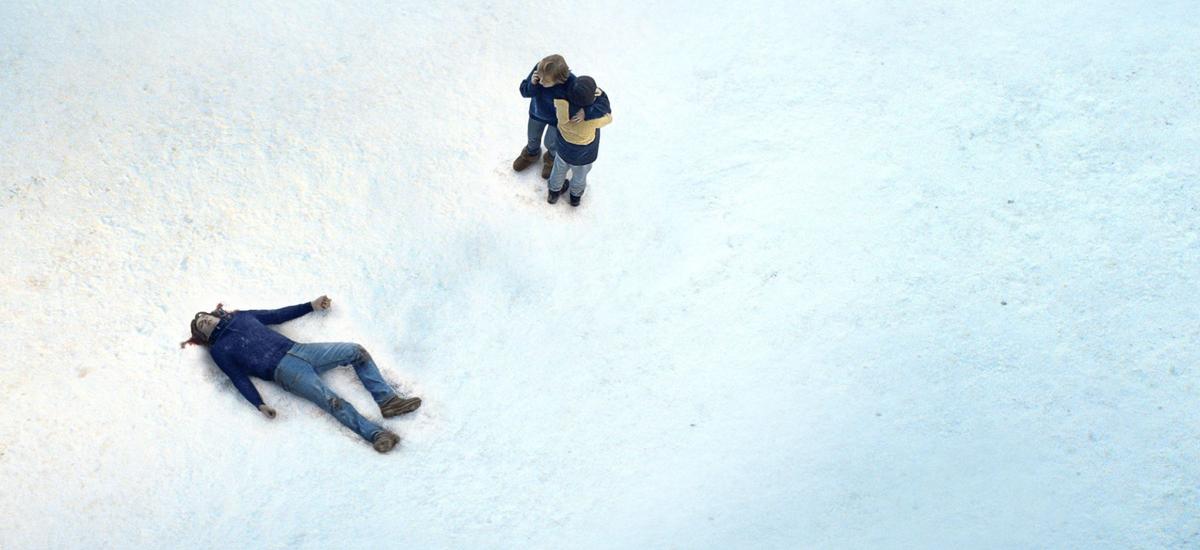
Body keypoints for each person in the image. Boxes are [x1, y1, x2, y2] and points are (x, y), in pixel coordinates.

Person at [181, 296, 421, 453]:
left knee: (355, 351)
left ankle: (389, 401)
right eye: (199, 325)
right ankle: (377, 436)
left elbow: (276, 315)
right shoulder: (221, 350)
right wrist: (259, 404)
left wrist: (311, 306)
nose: (202, 321)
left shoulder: (243, 316)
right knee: (332, 401)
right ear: (204, 336)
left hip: (301, 350)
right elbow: (238, 379)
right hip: (284, 373)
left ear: (214, 314)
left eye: (203, 317)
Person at [513, 55, 610, 179]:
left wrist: (586, 112)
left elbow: (598, 103)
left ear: (559, 80)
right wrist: (532, 83)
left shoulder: (573, 84)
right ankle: (530, 154)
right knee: (533, 137)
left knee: (551, 142)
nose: (541, 82)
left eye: (545, 81)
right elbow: (525, 91)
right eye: (540, 78)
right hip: (536, 114)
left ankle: (551, 159)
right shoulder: (540, 71)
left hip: (557, 121)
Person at [548, 76, 612, 207]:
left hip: (563, 149)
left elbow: (560, 93)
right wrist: (589, 110)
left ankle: (553, 192)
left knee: (558, 169)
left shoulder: (561, 106)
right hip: (584, 155)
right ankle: (575, 197)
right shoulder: (592, 120)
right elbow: (608, 117)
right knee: (580, 175)